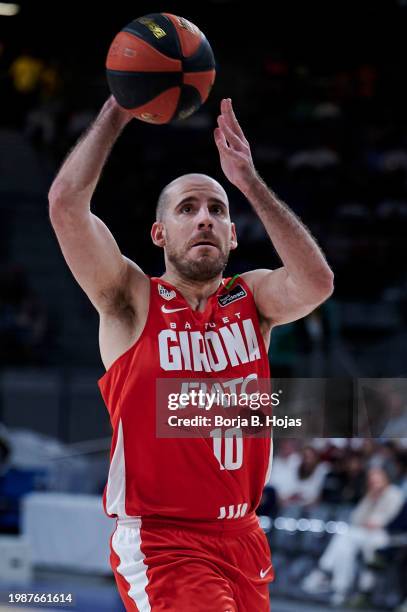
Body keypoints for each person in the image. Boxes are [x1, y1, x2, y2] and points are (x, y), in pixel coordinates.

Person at [49, 95, 333, 611]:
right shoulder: (130, 299)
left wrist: (250, 183)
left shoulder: (253, 298)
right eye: (187, 209)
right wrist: (120, 107)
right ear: (159, 233)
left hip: (244, 537)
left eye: (217, 211)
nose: (204, 219)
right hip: (165, 541)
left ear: (232, 235)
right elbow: (66, 202)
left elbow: (316, 283)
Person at [302, 465, 404, 606]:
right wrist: (372, 499)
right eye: (371, 478)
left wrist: (373, 521)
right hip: (363, 533)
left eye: (377, 477)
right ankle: (341, 587)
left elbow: (387, 520)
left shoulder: (394, 494)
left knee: (354, 539)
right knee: (344, 541)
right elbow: (356, 518)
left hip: (384, 536)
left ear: (385, 477)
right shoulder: (369, 495)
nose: (374, 481)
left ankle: (324, 572)